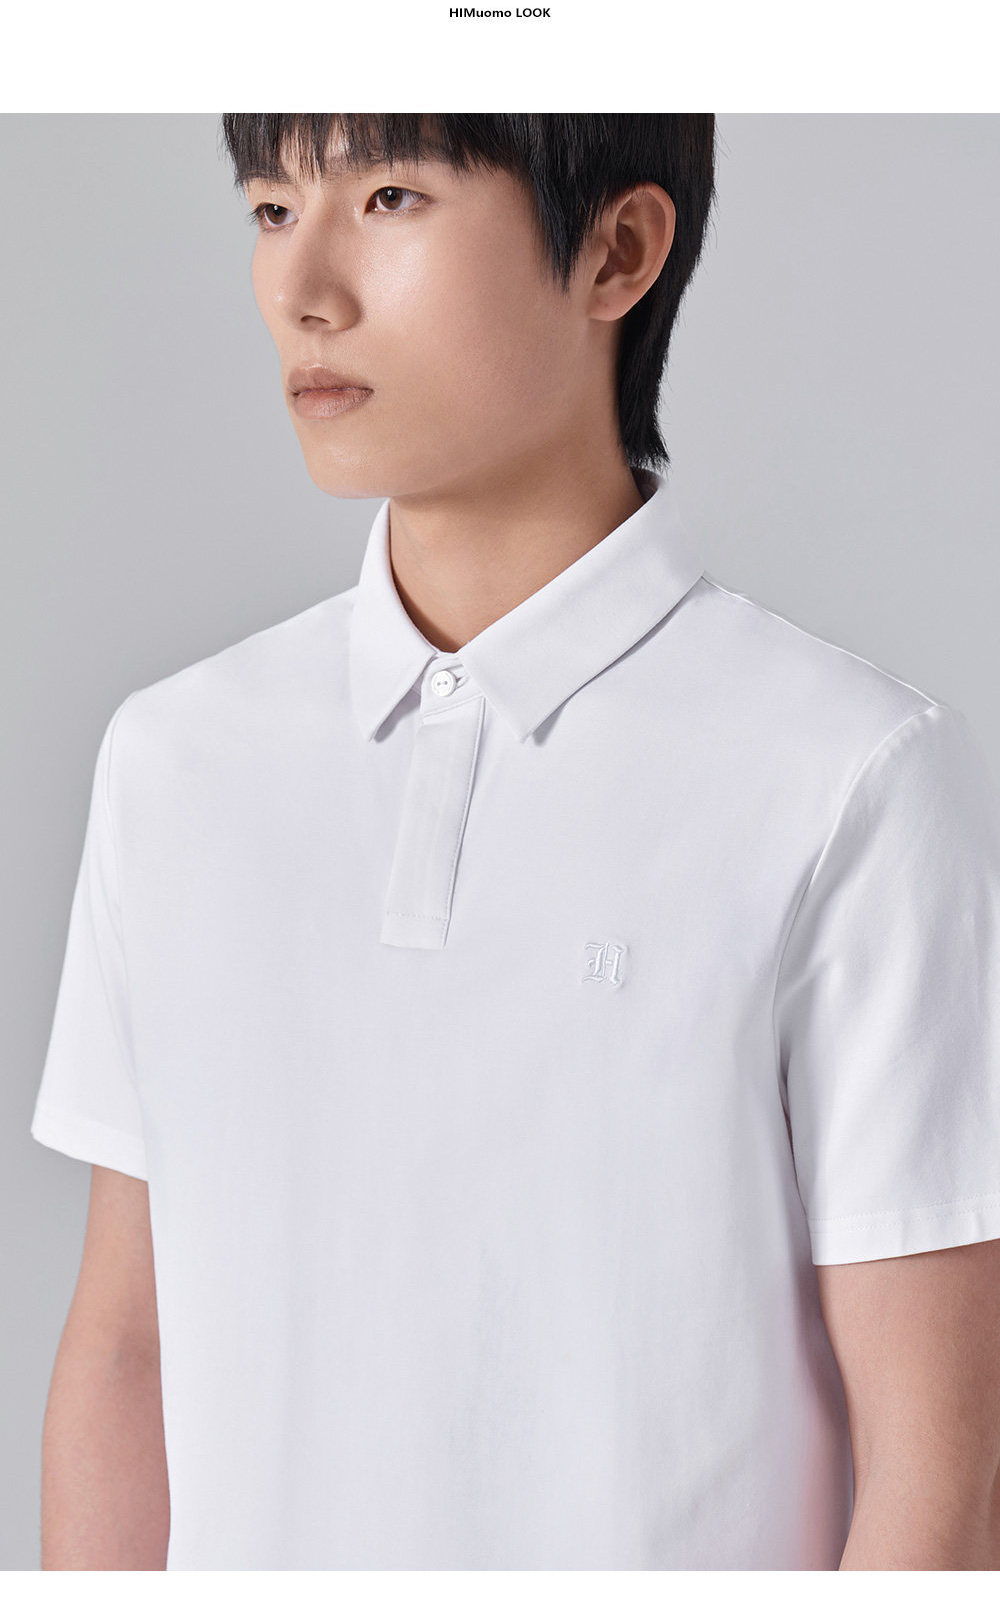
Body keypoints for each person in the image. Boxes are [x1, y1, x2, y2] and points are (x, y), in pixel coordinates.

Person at [31, 113, 1000, 1573]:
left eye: (390, 196)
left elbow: (942, 1472)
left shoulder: (846, 777)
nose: (305, 289)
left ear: (618, 251)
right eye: (274, 206)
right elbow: (128, 1352)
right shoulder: (175, 763)